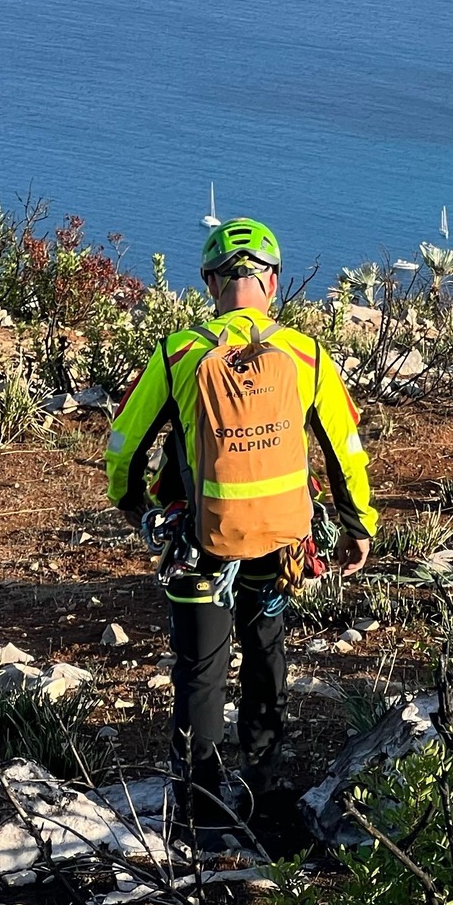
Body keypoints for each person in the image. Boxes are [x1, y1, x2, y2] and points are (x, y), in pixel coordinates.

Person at [104, 217, 376, 817]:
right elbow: (345, 448)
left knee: (200, 669)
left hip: (200, 540)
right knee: (265, 648)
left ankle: (199, 809)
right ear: (273, 282)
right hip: (282, 542)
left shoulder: (179, 353)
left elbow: (123, 446)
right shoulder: (306, 354)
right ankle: (263, 787)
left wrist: (136, 509)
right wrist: (358, 525)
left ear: (209, 282)